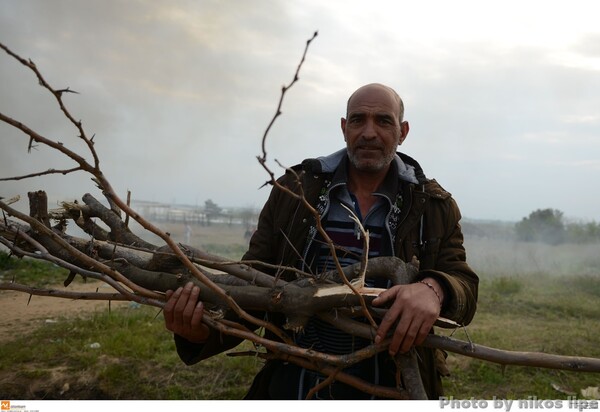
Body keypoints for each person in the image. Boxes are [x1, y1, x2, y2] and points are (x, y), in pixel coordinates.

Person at [163, 83, 479, 399]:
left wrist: (433, 290)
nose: (369, 132)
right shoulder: (295, 191)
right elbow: (255, 288)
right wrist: (201, 332)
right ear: (344, 128)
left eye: (383, 121)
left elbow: (463, 284)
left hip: (390, 389)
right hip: (295, 386)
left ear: (403, 131)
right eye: (358, 120)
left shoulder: (433, 206)